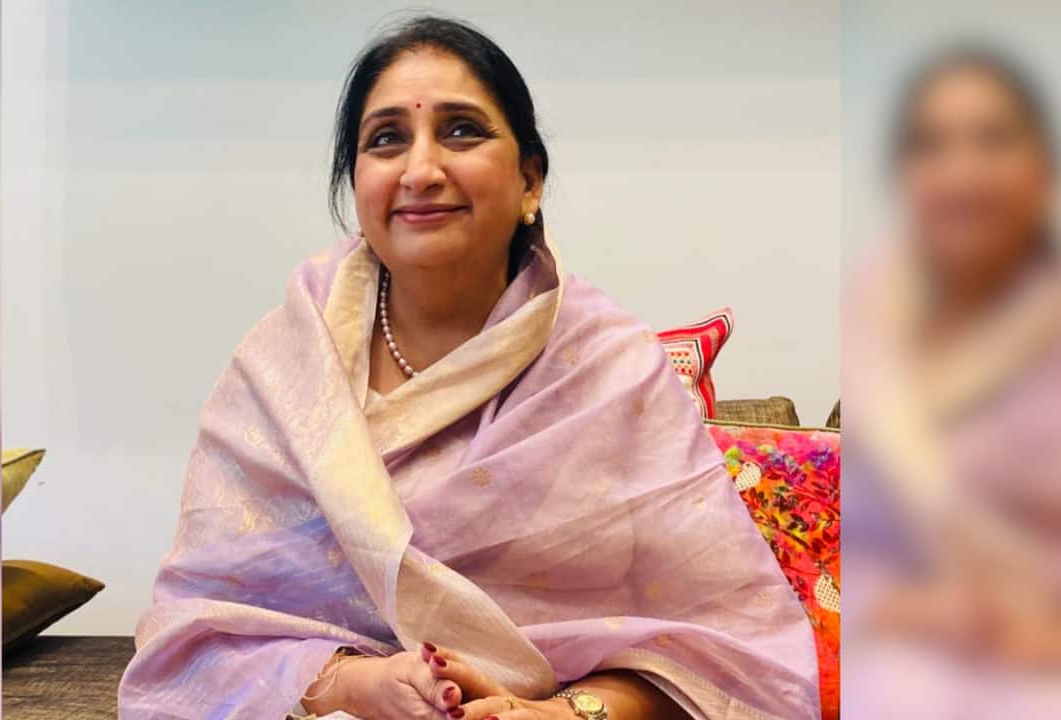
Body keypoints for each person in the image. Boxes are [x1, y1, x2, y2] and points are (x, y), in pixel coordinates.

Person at [119, 16, 817, 720]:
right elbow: (195, 632)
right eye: (386, 139)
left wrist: (565, 713)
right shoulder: (281, 368)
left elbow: (731, 655)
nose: (421, 171)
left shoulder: (612, 371)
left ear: (530, 180)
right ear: (355, 183)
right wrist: (357, 684)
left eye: (461, 131)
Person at [843, 44, 1061, 718]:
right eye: (932, 145)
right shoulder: (870, 321)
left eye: (993, 140)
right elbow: (840, 551)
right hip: (895, 666)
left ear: (1043, 168)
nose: (962, 173)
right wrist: (903, 609)